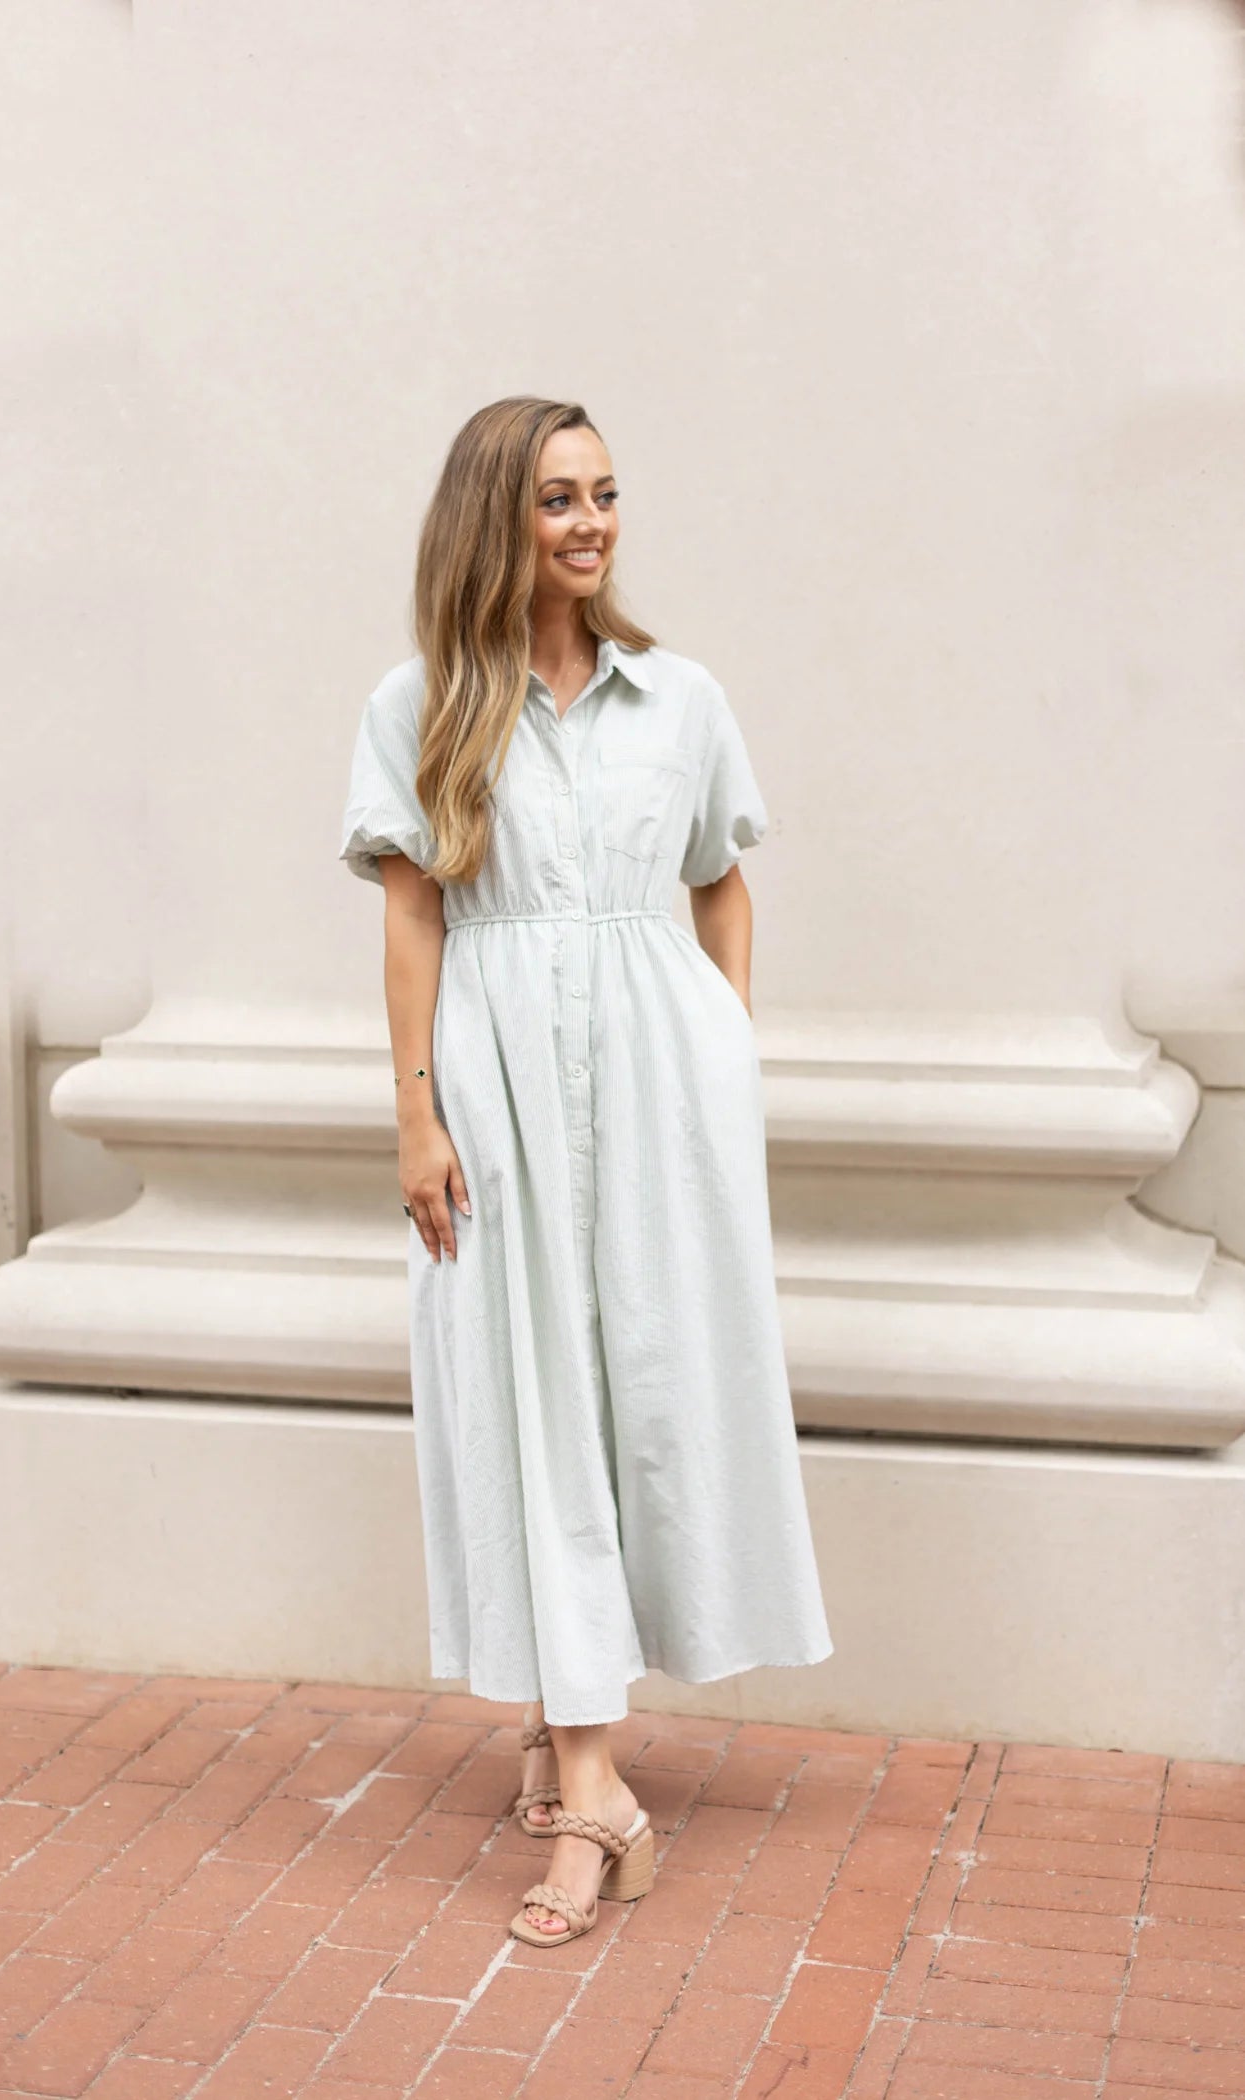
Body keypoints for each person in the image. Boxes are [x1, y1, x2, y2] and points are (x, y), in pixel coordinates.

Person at [339, 395, 833, 1947]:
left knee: (643, 1392)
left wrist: (721, 1051)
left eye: (605, 494)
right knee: (525, 1398)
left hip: (659, 1088)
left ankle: (579, 1758)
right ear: (498, 518)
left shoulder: (677, 697)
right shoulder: (418, 703)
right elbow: (414, 915)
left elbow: (719, 882)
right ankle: (591, 1786)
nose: (590, 523)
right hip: (491, 1082)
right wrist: (416, 1112)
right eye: (557, 499)